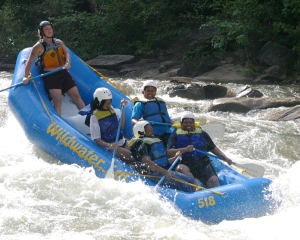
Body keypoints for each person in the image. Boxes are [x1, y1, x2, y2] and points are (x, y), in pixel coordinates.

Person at [22, 20, 85, 115]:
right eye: (46, 29)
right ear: (42, 32)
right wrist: (25, 76)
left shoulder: (58, 42)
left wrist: (67, 62)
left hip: (63, 73)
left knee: (76, 96)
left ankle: (89, 120)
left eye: (50, 28)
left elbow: (66, 53)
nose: (49, 30)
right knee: (58, 102)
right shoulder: (38, 47)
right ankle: (58, 127)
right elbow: (29, 62)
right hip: (51, 76)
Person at [166, 112, 233, 188]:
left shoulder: (202, 133)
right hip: (184, 162)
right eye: (185, 122)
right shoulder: (175, 134)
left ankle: (217, 193)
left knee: (214, 181)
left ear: (194, 123)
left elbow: (213, 148)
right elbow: (169, 151)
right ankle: (196, 188)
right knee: (180, 168)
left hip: (202, 163)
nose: (188, 124)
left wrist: (225, 158)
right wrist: (185, 149)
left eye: (191, 122)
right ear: (181, 123)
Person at [128, 120, 195, 192]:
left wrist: (175, 158)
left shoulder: (153, 141)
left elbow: (161, 161)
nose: (152, 131)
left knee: (190, 180)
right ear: (141, 132)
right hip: (153, 174)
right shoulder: (140, 144)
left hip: (162, 171)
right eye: (150, 130)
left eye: (152, 129)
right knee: (185, 186)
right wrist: (166, 172)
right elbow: (148, 163)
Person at [89, 87, 135, 163]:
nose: (108, 105)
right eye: (105, 103)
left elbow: (121, 126)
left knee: (138, 153)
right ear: (99, 102)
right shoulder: (94, 117)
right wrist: (109, 145)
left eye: (109, 102)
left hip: (122, 142)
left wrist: (122, 109)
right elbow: (96, 139)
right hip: (111, 146)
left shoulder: (111, 110)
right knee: (133, 158)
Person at [131, 80, 173, 147]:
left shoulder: (161, 102)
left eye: (152, 91)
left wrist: (171, 121)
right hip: (152, 132)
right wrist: (142, 124)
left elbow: (167, 117)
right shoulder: (140, 104)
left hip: (166, 131)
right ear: (143, 92)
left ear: (155, 92)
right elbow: (133, 120)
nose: (150, 93)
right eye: (148, 90)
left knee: (174, 142)